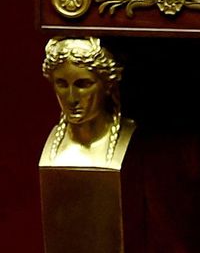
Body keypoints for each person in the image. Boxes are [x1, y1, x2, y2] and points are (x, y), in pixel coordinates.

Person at [39, 37, 135, 168]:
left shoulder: (127, 135)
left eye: (83, 84)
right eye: (62, 84)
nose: (72, 99)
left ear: (108, 85)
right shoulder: (53, 146)